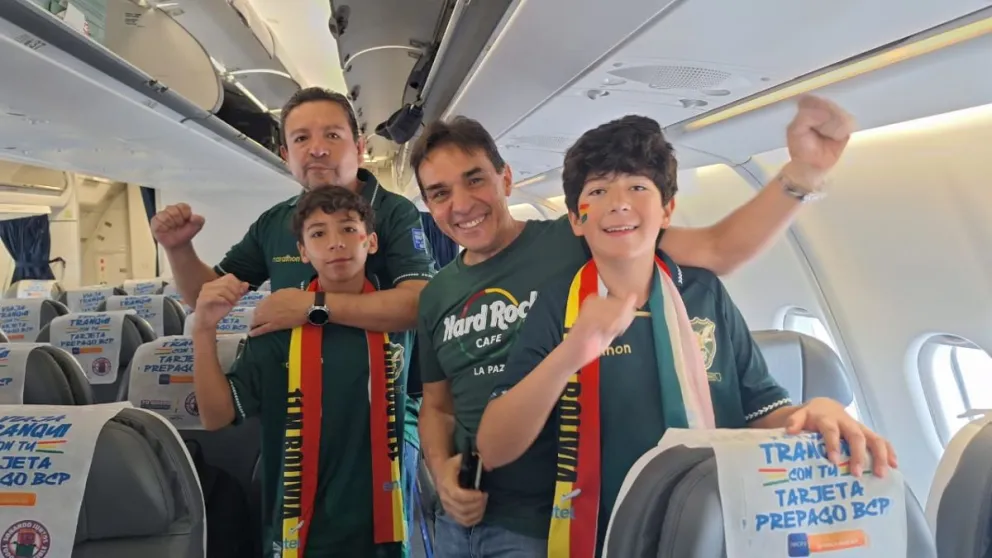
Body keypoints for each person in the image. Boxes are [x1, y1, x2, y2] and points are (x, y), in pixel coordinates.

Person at [413, 95, 857, 553]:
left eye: (475, 180)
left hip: (569, 517)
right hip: (497, 503)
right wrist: (441, 464)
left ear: (505, 179)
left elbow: (722, 248)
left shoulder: (602, 253)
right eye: (440, 193)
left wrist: (801, 175)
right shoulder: (444, 296)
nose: (618, 205)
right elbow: (439, 406)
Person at [152, 87, 433, 548]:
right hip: (297, 399)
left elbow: (419, 304)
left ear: (359, 146)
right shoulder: (275, 223)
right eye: (301, 138)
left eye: (332, 134)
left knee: (381, 530)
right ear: (285, 154)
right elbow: (210, 296)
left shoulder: (394, 213)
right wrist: (179, 249)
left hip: (381, 407)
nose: (316, 147)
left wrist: (311, 307)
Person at [192, 186, 413, 558]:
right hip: (300, 527)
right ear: (302, 252)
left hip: (383, 526)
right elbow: (216, 417)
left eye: (348, 229)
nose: (336, 243)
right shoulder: (280, 330)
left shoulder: (397, 322)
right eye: (318, 234)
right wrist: (202, 331)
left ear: (371, 242)